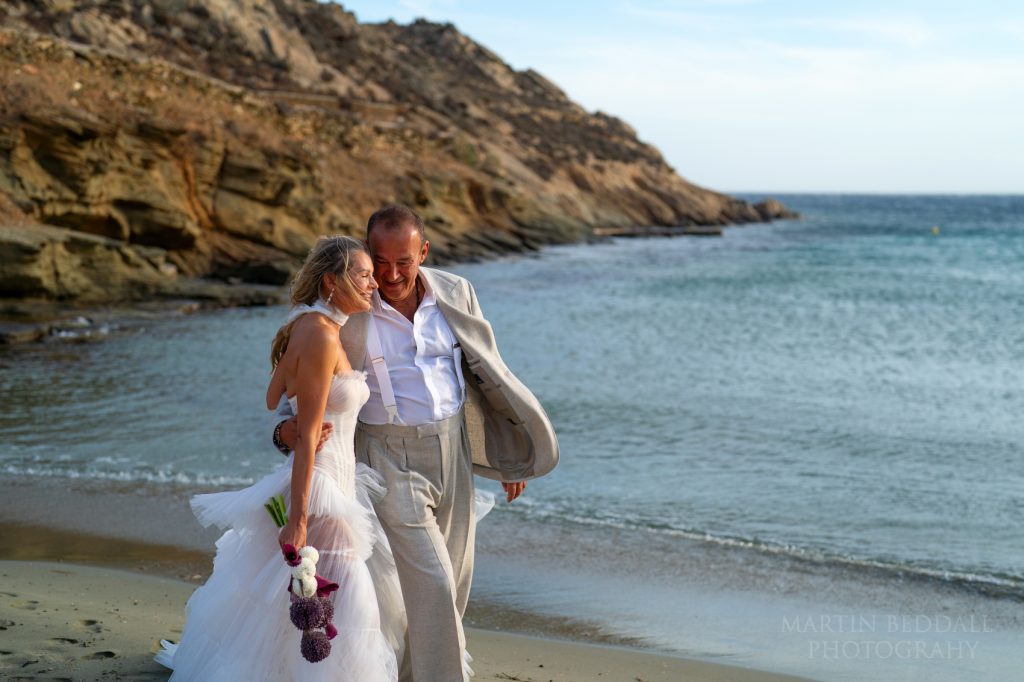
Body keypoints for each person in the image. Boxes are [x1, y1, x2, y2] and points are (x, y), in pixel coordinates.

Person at [273, 205, 559, 681]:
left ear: (423, 252)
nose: (389, 275)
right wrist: (285, 431)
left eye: (403, 262)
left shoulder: (456, 292)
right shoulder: (352, 310)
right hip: (387, 458)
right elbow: (302, 382)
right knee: (434, 585)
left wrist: (512, 455)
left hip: (454, 451)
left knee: (454, 586)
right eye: (379, 262)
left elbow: (486, 374)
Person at [157, 236, 402, 681]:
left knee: (308, 595)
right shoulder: (322, 335)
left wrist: (283, 428)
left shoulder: (316, 327)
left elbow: (274, 397)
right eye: (364, 274)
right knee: (348, 596)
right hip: (322, 484)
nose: (374, 283)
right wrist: (300, 518)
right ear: (332, 280)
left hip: (334, 480)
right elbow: (308, 436)